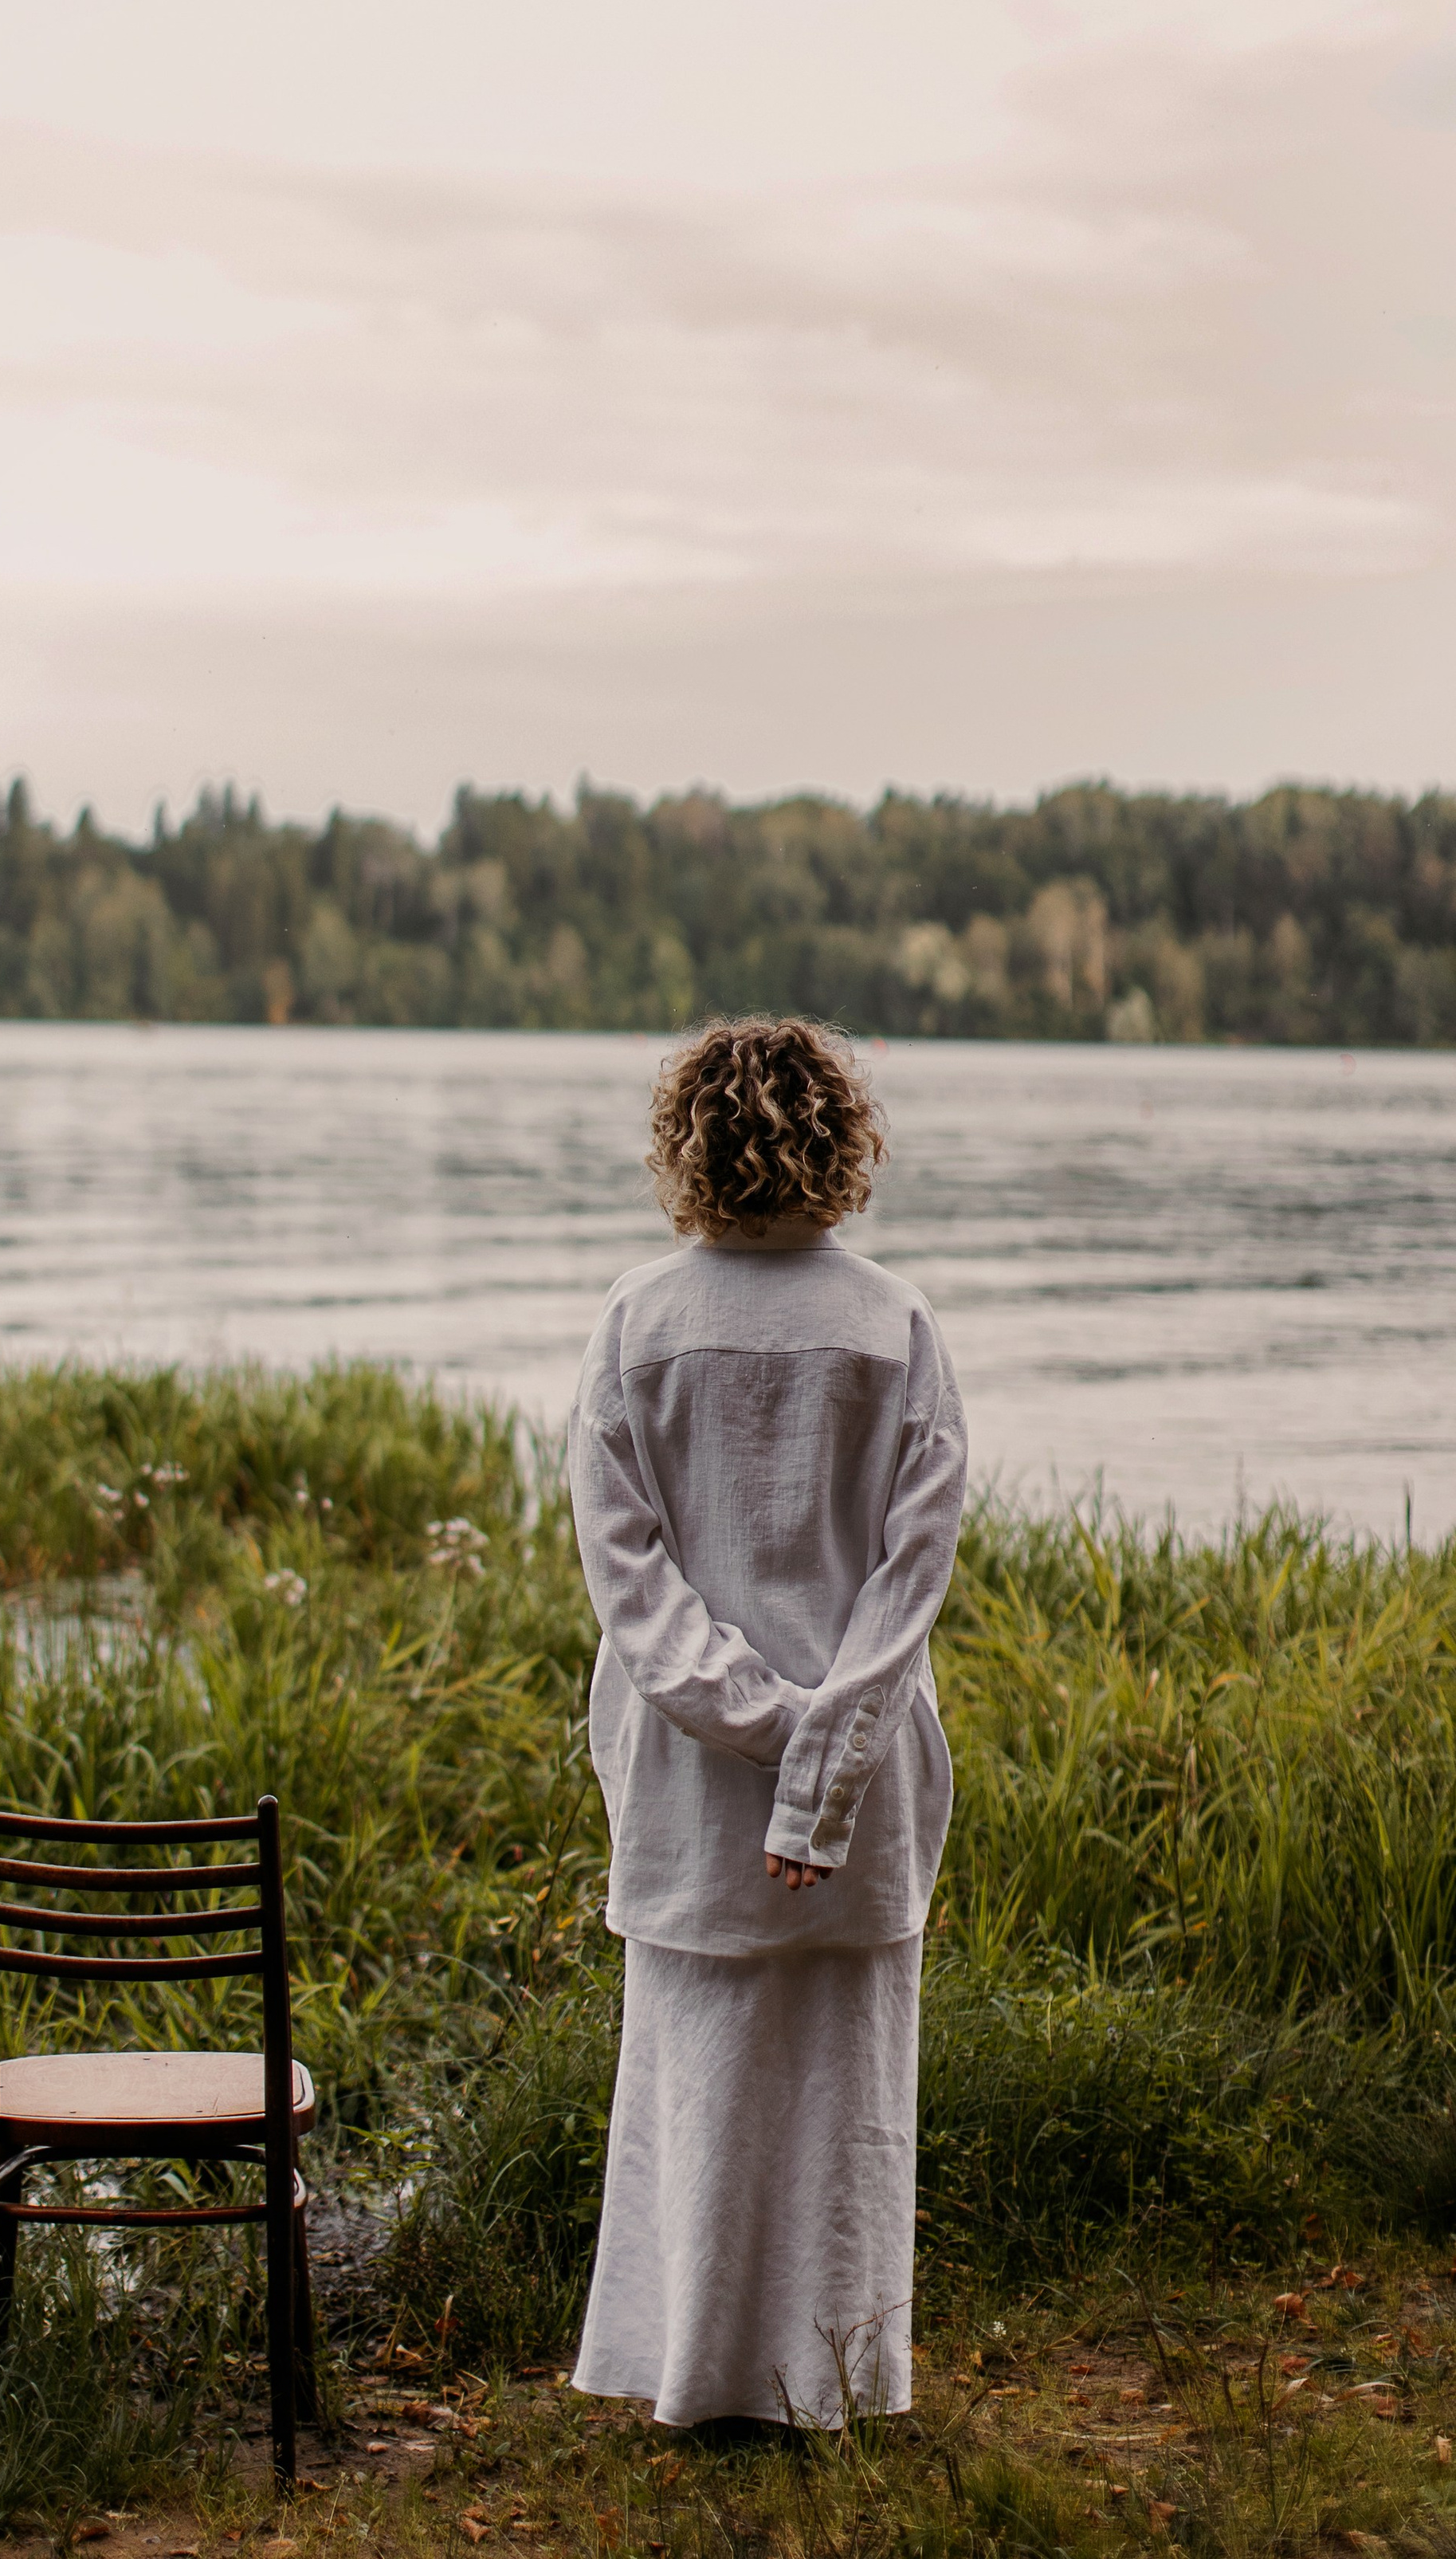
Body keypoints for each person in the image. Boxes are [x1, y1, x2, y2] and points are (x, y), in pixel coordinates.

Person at [567, 1014, 966, 2437]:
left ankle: (693, 2374)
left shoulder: (638, 1320)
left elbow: (636, 1596)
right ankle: (835, 2378)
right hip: (860, 1781)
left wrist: (767, 1743)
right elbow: (908, 1591)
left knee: (701, 2069)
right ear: (838, 1136)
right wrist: (823, 1769)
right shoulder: (895, 1323)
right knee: (844, 2082)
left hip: (691, 1774)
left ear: (687, 1142)